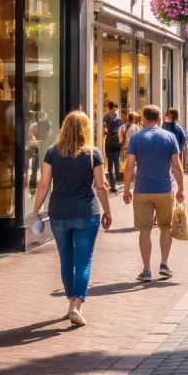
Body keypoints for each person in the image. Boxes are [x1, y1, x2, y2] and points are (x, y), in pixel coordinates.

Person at [30, 111, 112, 327]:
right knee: (83, 261)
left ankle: (70, 304)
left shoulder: (52, 153)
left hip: (59, 213)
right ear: (86, 130)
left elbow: (44, 185)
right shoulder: (93, 154)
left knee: (66, 261)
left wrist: (35, 211)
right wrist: (108, 211)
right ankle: (76, 306)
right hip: (86, 212)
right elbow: (101, 186)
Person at [123, 105, 185, 283]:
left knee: (145, 230)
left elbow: (129, 166)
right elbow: (177, 165)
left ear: (143, 118)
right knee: (165, 226)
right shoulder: (170, 137)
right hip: (165, 188)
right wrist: (181, 188)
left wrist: (127, 189)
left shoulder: (136, 138)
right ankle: (164, 263)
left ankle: (147, 269)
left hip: (142, 189)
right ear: (159, 119)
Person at [101, 102, 123, 192]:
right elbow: (122, 130)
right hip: (117, 143)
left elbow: (103, 129)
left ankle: (113, 185)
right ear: (114, 107)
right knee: (117, 162)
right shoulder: (118, 118)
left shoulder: (106, 117)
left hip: (109, 143)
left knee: (110, 165)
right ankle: (117, 178)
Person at [162, 108, 188, 172]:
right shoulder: (175, 125)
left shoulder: (168, 125)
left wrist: (180, 146)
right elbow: (184, 137)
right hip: (174, 148)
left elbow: (184, 136)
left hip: (167, 147)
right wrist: (180, 146)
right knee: (175, 164)